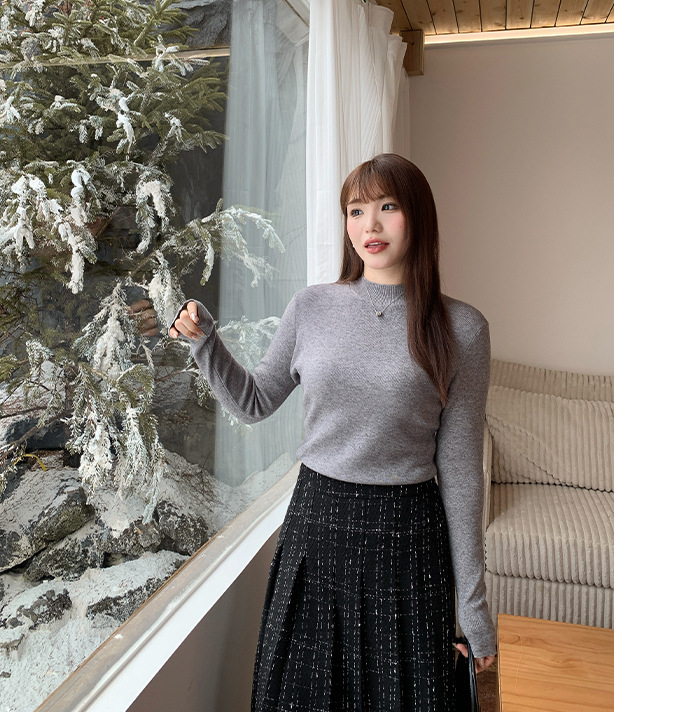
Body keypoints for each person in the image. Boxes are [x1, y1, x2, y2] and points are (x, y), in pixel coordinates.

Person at [169, 153, 496, 711]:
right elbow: (254, 401)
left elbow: (462, 473)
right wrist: (205, 343)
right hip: (317, 526)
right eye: (356, 210)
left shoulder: (462, 328)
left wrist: (473, 605)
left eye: (387, 206)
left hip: (408, 539)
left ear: (418, 216)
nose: (370, 225)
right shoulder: (311, 307)